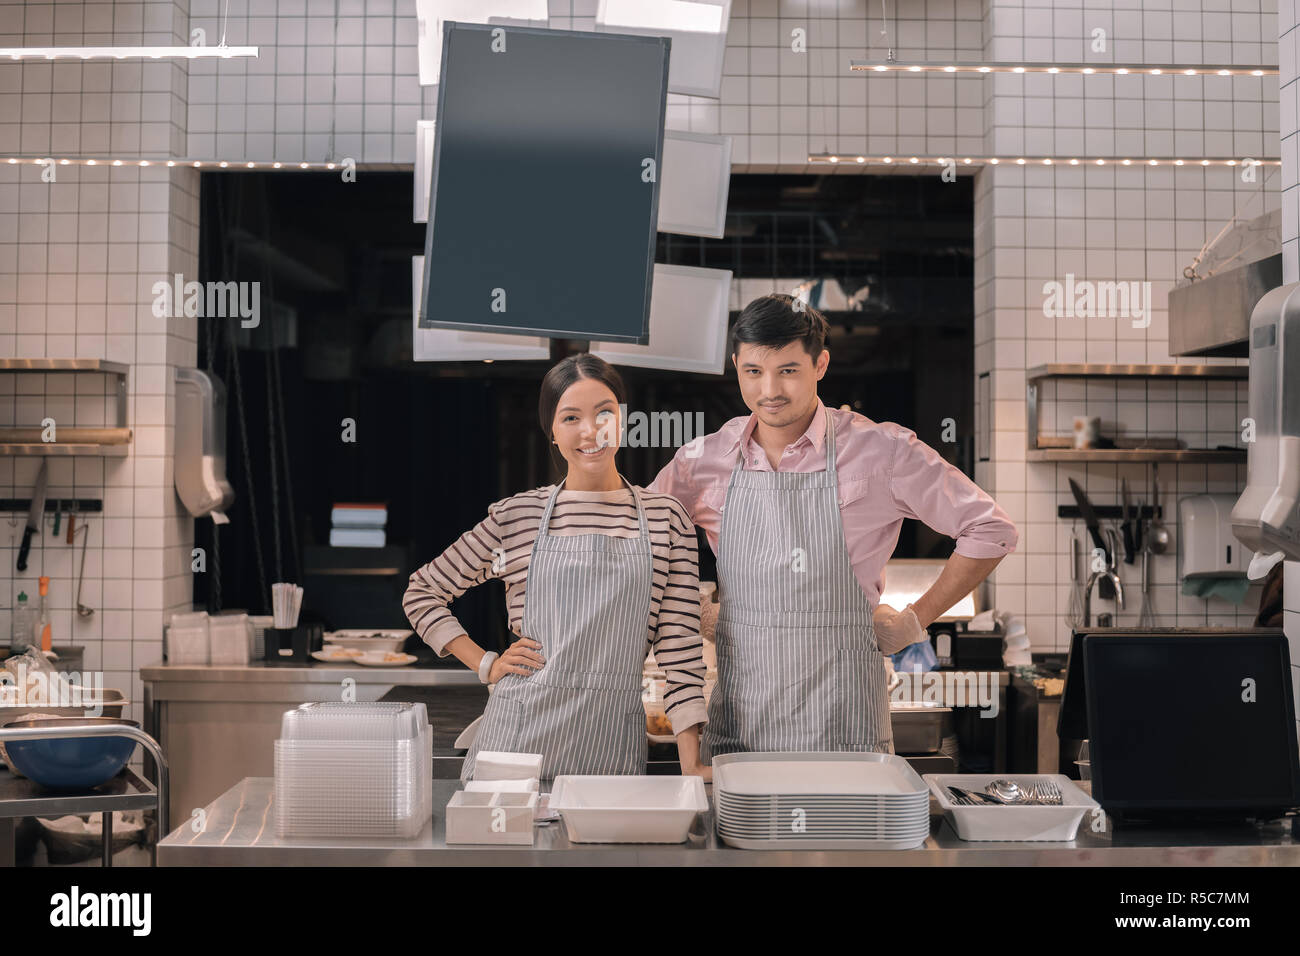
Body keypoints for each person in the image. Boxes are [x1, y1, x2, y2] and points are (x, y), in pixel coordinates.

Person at [650, 295, 1018, 764]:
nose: (769, 390)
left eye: (788, 370)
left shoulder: (880, 449)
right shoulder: (702, 461)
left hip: (846, 728)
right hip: (741, 729)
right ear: (737, 366)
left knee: (844, 837)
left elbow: (991, 529)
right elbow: (642, 549)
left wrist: (913, 620)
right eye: (753, 372)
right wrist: (698, 612)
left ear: (820, 364)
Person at [404, 354, 707, 783]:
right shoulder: (518, 516)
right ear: (552, 431)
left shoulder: (666, 518)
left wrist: (691, 761)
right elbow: (422, 592)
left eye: (604, 413)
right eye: (570, 417)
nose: (590, 430)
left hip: (608, 745)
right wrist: (486, 663)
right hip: (514, 742)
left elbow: (680, 652)